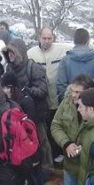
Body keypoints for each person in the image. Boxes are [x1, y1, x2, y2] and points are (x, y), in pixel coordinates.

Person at [3, 39, 52, 172]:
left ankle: (46, 167)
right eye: (8, 53)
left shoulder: (33, 68)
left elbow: (43, 90)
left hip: (36, 111)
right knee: (24, 141)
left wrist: (29, 91)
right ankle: (31, 166)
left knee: (41, 140)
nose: (10, 56)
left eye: (12, 53)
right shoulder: (9, 68)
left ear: (20, 53)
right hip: (19, 111)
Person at [28, 27, 73, 164]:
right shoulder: (31, 53)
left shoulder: (62, 49)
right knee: (45, 128)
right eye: (44, 38)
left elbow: (78, 49)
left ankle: (60, 153)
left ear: (53, 38)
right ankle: (49, 156)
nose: (47, 41)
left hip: (58, 97)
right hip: (41, 100)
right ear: (39, 38)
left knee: (58, 125)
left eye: (49, 38)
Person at [56, 28, 94, 102]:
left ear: (74, 41)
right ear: (88, 40)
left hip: (71, 101)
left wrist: (69, 99)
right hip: (92, 104)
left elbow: (61, 84)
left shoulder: (65, 60)